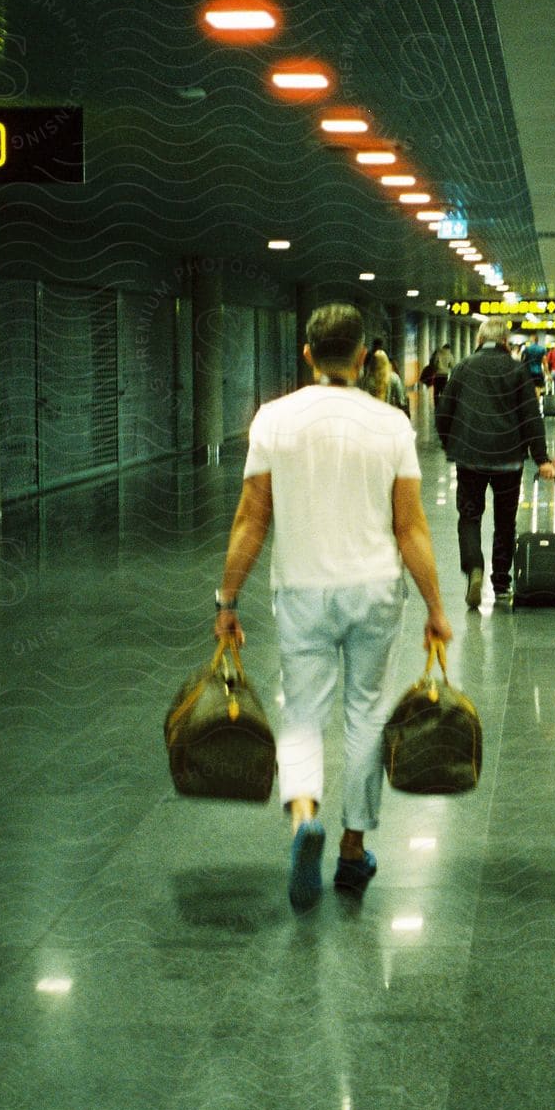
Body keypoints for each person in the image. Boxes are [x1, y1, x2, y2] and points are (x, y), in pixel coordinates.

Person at [214, 304, 452, 911]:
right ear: (362, 358)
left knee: (302, 712)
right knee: (367, 716)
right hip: (373, 588)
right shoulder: (391, 425)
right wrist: (436, 605)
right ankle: (352, 848)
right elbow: (411, 529)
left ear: (307, 354)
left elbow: (251, 519)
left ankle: (302, 817)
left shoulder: (273, 420)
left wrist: (227, 599)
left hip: (301, 589)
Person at [435, 317, 555, 610]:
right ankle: (501, 582)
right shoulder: (517, 370)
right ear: (505, 342)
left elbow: (443, 412)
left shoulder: (463, 368)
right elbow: (531, 417)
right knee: (505, 521)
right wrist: (542, 458)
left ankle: (474, 566)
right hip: (508, 460)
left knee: (469, 515)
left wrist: (451, 443)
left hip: (470, 459)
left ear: (479, 340)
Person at [363, 346, 409, 415]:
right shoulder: (394, 378)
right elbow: (400, 401)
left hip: (372, 415)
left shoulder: (367, 380)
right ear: (387, 362)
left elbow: (364, 400)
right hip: (389, 415)